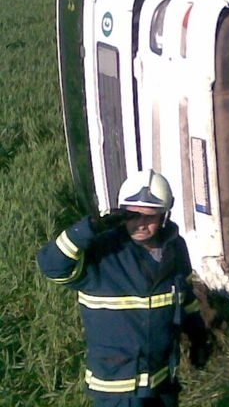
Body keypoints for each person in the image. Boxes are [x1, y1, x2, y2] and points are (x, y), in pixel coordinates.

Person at [37, 169, 210, 406]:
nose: (141, 224)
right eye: (133, 215)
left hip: (161, 381)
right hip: (117, 390)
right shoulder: (102, 252)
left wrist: (198, 336)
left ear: (164, 215)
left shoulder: (175, 248)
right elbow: (52, 266)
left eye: (150, 217)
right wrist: (89, 228)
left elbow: (185, 298)